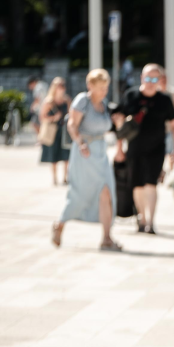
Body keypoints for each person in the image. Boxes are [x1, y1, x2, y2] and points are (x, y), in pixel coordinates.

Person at [52, 69, 122, 252]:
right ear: (90, 86)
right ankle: (60, 224)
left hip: (100, 153)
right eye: (100, 88)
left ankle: (106, 238)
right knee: (80, 194)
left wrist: (116, 122)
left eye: (105, 87)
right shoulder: (83, 100)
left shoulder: (104, 104)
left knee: (106, 192)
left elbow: (105, 128)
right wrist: (81, 142)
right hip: (85, 153)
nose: (103, 91)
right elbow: (72, 124)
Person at [120, 63, 174, 234]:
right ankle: (142, 217)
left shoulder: (165, 100)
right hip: (134, 148)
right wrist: (118, 148)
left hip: (156, 149)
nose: (151, 82)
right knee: (137, 185)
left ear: (160, 80)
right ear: (141, 78)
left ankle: (150, 222)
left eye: (155, 79)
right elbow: (120, 123)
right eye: (148, 78)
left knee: (151, 184)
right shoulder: (131, 96)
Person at [39, 77, 71, 185]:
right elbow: (42, 118)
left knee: (66, 155)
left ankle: (65, 177)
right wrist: (54, 118)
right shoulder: (49, 102)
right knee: (54, 156)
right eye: (60, 86)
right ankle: (54, 178)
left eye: (63, 86)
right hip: (53, 131)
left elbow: (71, 114)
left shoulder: (66, 100)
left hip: (64, 130)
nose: (62, 88)